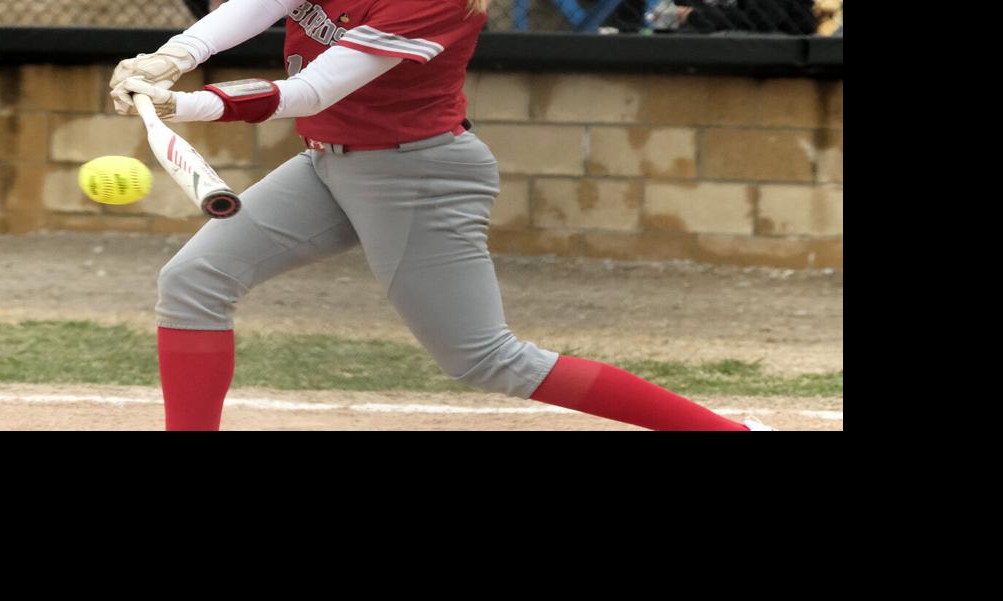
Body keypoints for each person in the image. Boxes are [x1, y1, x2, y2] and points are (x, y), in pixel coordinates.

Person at [111, 0, 771, 431]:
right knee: (194, 281)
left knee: (489, 359)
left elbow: (312, 90)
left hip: (417, 175)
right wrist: (172, 58)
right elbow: (259, 5)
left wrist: (187, 105)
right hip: (329, 164)